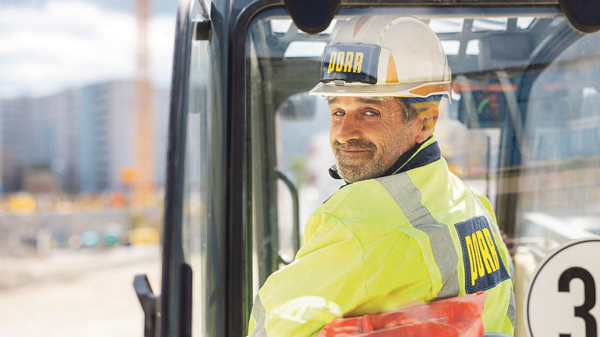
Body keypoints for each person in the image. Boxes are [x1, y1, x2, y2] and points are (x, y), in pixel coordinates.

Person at [247, 15, 514, 337]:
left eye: (370, 112)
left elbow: (270, 326)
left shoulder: (357, 223)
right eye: (338, 112)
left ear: (425, 123)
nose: (344, 134)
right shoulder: (472, 204)